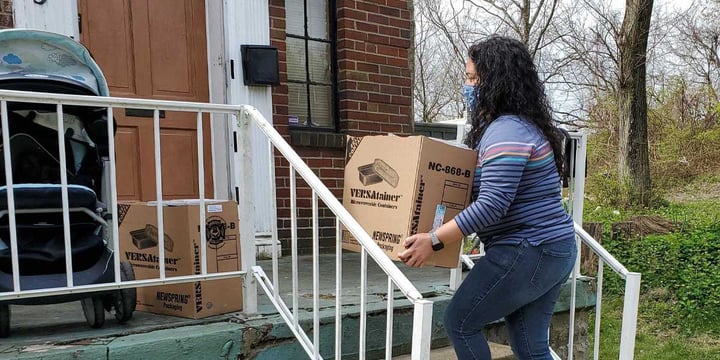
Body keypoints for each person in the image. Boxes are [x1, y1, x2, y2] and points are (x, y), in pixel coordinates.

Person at [397, 36, 577, 360]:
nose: (466, 86)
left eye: (471, 78)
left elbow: (493, 205)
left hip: (529, 248)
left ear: (495, 80)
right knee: (530, 346)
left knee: (460, 322)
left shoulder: (506, 131)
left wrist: (434, 240)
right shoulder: (521, 126)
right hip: (551, 248)